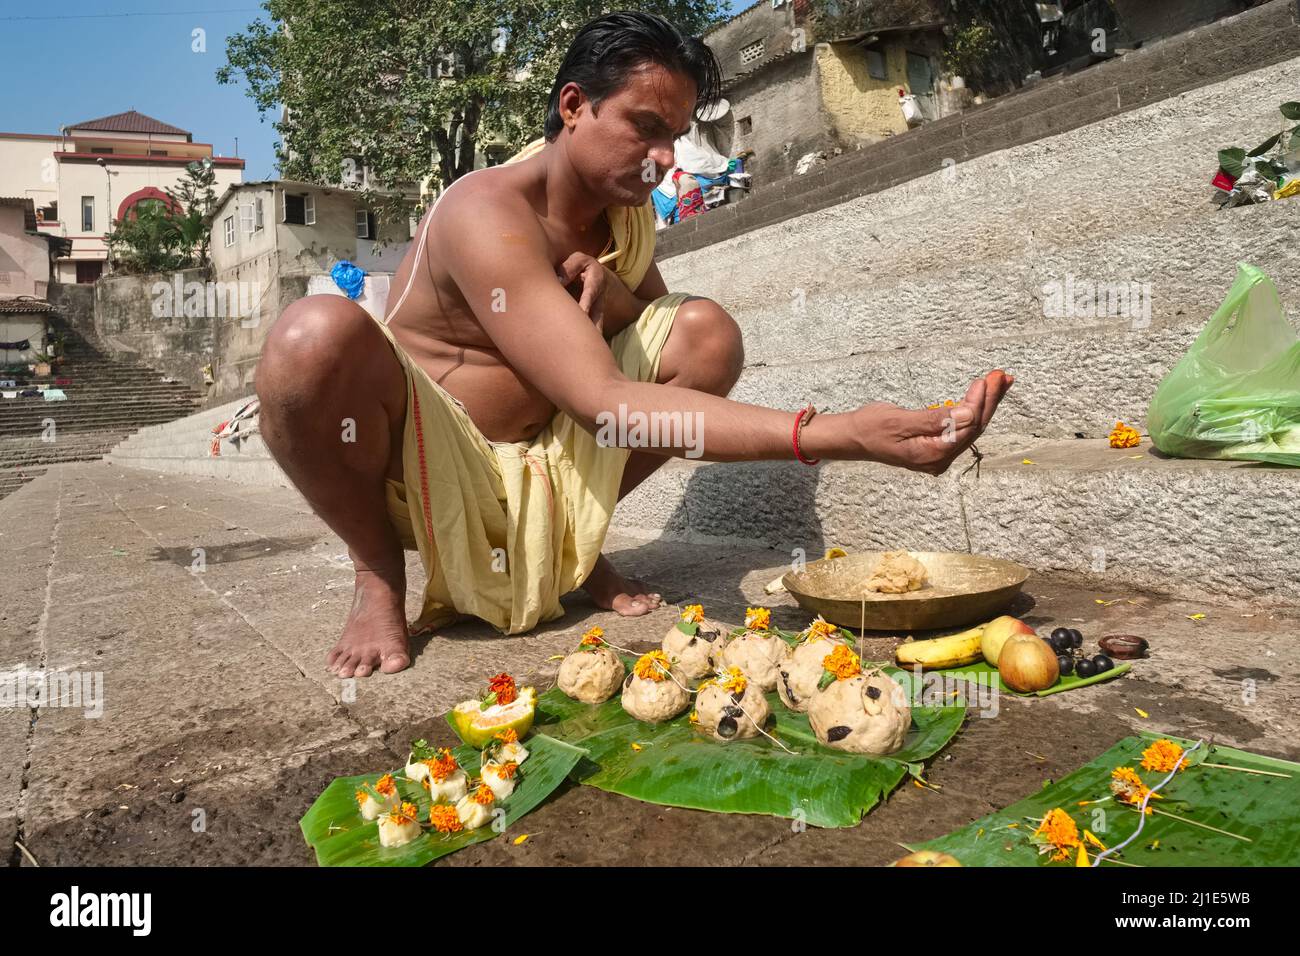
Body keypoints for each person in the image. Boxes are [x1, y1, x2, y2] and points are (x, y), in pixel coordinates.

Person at [254, 11, 1013, 678]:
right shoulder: (489, 209)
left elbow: (667, 356)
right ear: (574, 106)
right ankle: (376, 574)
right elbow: (609, 405)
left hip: (549, 465)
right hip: (428, 477)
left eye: (675, 137)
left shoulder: (622, 220)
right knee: (311, 336)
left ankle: (570, 545)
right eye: (644, 127)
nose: (662, 160)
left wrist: (617, 298)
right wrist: (839, 434)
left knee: (704, 330)